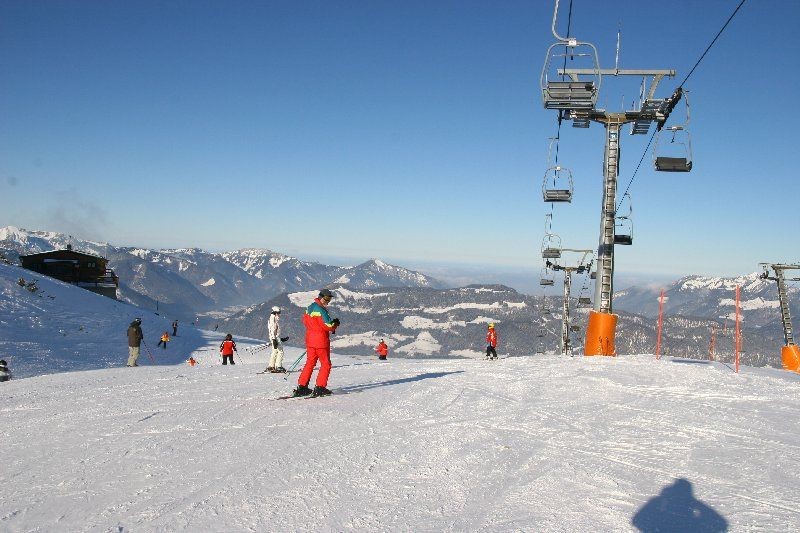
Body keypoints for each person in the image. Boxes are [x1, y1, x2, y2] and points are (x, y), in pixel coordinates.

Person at [293, 288, 339, 397]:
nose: (327, 301)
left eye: (329, 299)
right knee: (326, 364)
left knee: (310, 363)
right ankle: (320, 387)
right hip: (321, 341)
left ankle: (302, 387)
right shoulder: (321, 310)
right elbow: (328, 326)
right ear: (321, 297)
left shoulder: (309, 307)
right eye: (326, 298)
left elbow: (304, 321)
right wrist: (335, 324)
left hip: (310, 340)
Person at [265, 306, 289, 373]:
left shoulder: (273, 318)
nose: (279, 314)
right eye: (278, 312)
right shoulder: (273, 320)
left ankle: (271, 366)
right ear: (275, 312)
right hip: (274, 338)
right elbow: (272, 330)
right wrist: (274, 339)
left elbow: (274, 331)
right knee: (280, 351)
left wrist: (280, 339)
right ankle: (278, 366)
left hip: (275, 337)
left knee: (275, 351)